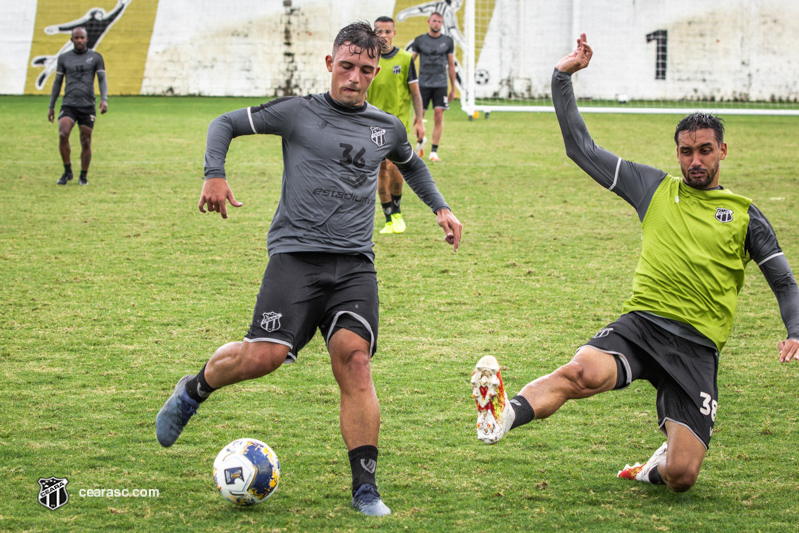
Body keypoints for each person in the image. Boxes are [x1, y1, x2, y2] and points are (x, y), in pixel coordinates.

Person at [156, 22, 462, 516]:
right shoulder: (298, 112)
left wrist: (440, 208)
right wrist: (214, 172)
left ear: (375, 70)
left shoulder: (386, 126)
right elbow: (224, 123)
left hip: (355, 264)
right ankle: (195, 389)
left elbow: (411, 164)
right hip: (296, 257)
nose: (355, 78)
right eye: (346, 66)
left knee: (355, 361)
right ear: (329, 65)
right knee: (264, 358)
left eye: (365, 69)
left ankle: (365, 488)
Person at [471, 33, 799, 493]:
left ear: (723, 150)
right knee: (581, 372)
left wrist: (795, 329)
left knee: (682, 477)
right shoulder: (655, 189)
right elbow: (581, 149)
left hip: (697, 349)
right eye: (686, 151)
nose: (695, 160)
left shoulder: (745, 215)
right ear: (678, 153)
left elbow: (783, 280)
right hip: (643, 327)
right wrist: (562, 78)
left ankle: (652, 467)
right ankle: (502, 414)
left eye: (705, 150)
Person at [367, 16, 425, 235]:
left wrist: (419, 120)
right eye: (379, 31)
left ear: (394, 33)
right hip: (372, 124)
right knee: (380, 168)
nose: (383, 35)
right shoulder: (369, 58)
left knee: (395, 166)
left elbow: (415, 92)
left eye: (387, 31)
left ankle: (398, 213)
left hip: (397, 124)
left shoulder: (405, 58)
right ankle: (388, 217)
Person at [48, 26, 108, 186]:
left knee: (86, 141)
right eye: (76, 38)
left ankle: (83, 175)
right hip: (69, 104)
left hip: (87, 105)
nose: (79, 40)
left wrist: (104, 99)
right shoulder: (64, 58)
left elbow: (102, 79)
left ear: (87, 39)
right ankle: (67, 171)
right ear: (72, 40)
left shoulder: (96, 57)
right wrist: (51, 106)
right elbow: (57, 82)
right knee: (63, 134)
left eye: (82, 37)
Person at [410, 12, 456, 162]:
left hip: (441, 84)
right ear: (429, 22)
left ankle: (434, 152)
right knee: (418, 117)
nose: (436, 23)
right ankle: (419, 145)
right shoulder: (420, 40)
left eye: (439, 21)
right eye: (434, 21)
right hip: (423, 84)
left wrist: (453, 87)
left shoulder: (448, 41)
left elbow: (451, 65)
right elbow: (410, 61)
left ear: (442, 24)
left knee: (438, 115)